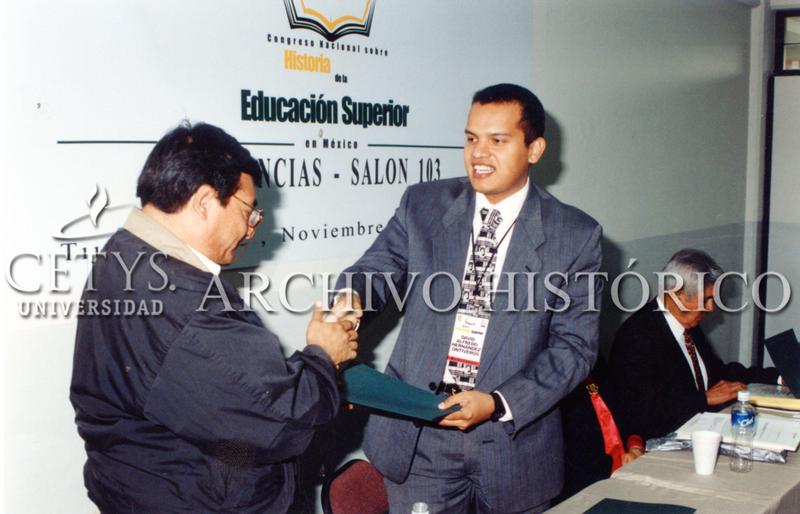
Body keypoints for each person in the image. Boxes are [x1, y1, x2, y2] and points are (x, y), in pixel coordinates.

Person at [331, 83, 603, 513]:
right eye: (472, 138)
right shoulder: (423, 204)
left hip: (513, 444)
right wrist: (349, 303)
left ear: (534, 149)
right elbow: (377, 270)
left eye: (498, 141)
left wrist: (498, 403)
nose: (479, 153)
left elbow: (574, 348)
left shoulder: (575, 235)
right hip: (420, 436)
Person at [70, 122, 358, 513]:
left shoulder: (122, 252)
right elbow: (282, 424)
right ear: (206, 201)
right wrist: (323, 357)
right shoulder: (185, 303)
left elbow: (217, 394)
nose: (251, 230)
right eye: (248, 211)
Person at [607, 248, 779, 441]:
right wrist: (704, 399)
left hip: (698, 431)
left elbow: (718, 376)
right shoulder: (637, 336)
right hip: (661, 443)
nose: (711, 308)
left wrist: (778, 377)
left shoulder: (687, 323)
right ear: (677, 295)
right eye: (706, 299)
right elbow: (642, 414)